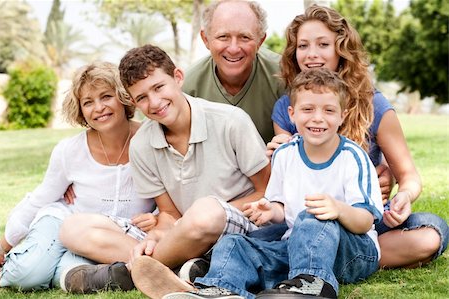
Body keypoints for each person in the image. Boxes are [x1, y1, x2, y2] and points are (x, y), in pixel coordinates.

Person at [143, 67, 385, 299]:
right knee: (234, 243)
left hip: (354, 252)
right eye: (308, 109)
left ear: (343, 115)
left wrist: (338, 209)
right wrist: (271, 210)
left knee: (312, 218)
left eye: (329, 111)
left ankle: (312, 286)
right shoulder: (285, 154)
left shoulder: (352, 157)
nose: (318, 118)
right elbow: (283, 210)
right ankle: (221, 289)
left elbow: (366, 221)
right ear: (292, 114)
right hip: (295, 249)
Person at [60, 44, 271, 297]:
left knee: (205, 212)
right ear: (133, 102)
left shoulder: (231, 121)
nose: (155, 102)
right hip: (182, 230)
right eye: (142, 98)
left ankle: (134, 270)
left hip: (237, 226)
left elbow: (266, 190)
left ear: (178, 78)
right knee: (73, 228)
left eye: (159, 87)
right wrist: (159, 233)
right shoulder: (141, 144)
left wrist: (197, 219)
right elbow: (169, 212)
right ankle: (179, 264)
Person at [266, 4, 448, 269]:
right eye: (303, 46)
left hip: (364, 222)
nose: (311, 54)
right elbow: (283, 193)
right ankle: (331, 259)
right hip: (306, 221)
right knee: (258, 233)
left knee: (431, 233)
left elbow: (408, 176)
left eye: (323, 44)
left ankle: (323, 258)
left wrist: (403, 197)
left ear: (342, 51)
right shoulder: (287, 108)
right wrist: (277, 154)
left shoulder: (374, 105)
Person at [0, 61, 155, 292]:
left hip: (111, 235)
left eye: (106, 96)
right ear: (80, 110)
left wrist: (158, 216)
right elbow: (41, 198)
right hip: (64, 220)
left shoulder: (151, 139)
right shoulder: (70, 150)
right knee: (26, 275)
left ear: (123, 96)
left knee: (73, 270)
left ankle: (70, 271)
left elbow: (173, 190)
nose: (99, 108)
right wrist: (4, 244)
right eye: (88, 102)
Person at [182, 0, 285, 143]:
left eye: (245, 37)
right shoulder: (187, 86)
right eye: (223, 37)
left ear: (260, 41)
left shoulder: (284, 75)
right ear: (206, 39)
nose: (233, 48)